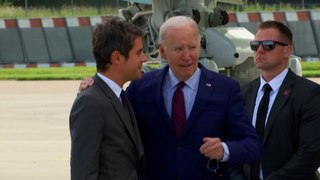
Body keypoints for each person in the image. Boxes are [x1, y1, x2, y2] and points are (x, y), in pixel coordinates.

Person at [78, 16, 262, 179]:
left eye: (192, 47)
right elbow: (112, 112)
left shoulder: (226, 89)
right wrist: (94, 86)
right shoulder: (141, 88)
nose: (187, 56)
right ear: (163, 52)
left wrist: (224, 150)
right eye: (178, 49)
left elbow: (252, 145)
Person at [230, 20, 320, 180]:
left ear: (287, 51)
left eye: (268, 45)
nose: (259, 50)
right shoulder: (242, 94)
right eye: (255, 45)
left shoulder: (309, 94)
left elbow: (311, 152)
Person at [69, 17, 147, 180]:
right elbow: (83, 174)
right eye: (138, 52)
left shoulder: (120, 96)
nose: (144, 58)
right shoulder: (91, 103)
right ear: (117, 57)